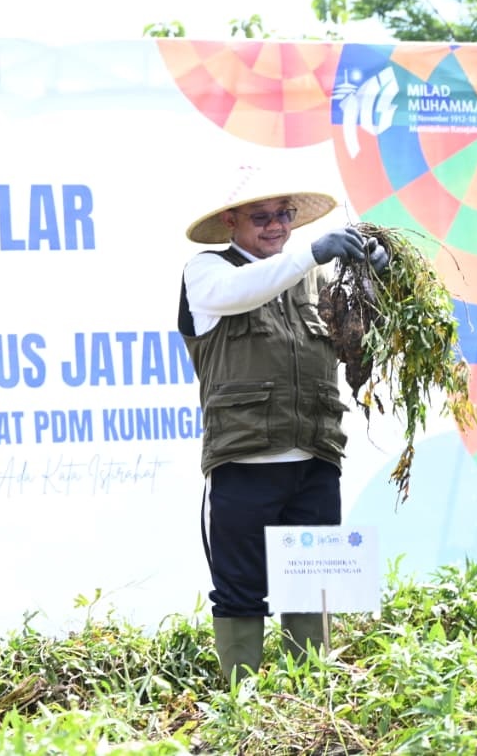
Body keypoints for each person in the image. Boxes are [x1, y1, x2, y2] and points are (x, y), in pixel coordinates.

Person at [177, 164, 387, 685]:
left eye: (285, 215)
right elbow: (244, 290)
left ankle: (307, 702)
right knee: (240, 592)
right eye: (262, 217)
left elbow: (362, 337)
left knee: (312, 589)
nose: (276, 226)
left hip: (316, 459)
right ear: (231, 221)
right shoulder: (207, 272)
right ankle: (242, 705)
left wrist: (376, 277)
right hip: (244, 463)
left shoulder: (315, 278)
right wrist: (313, 253)